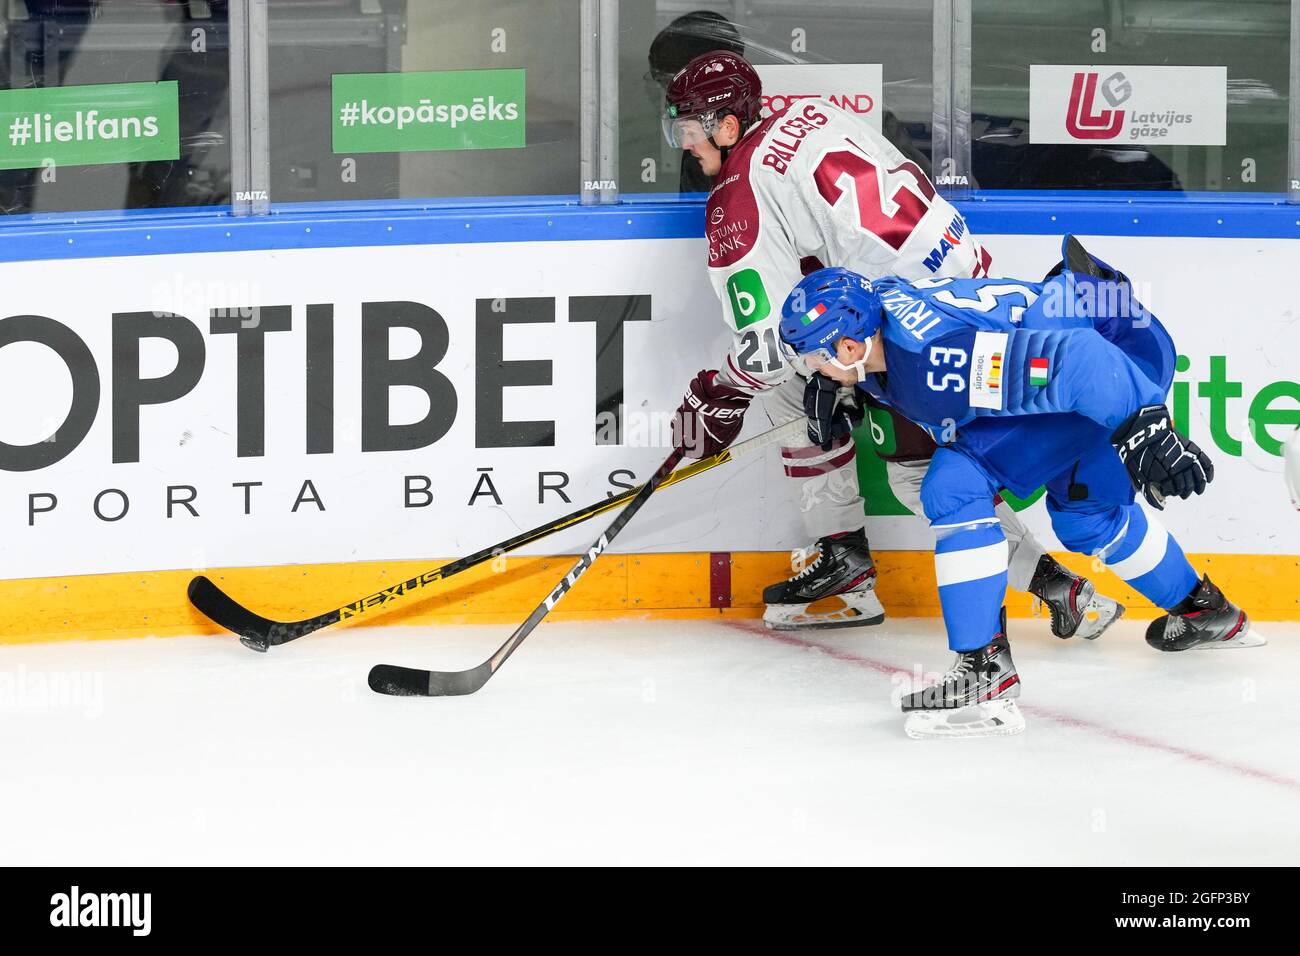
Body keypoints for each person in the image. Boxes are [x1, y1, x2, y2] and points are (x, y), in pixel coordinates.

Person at [663, 49, 1121, 636]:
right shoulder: (812, 114)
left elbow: (768, 345)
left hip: (907, 329)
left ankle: (1049, 589)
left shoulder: (739, 193)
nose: (684, 144)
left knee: (908, 468)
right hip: (969, 293)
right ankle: (852, 562)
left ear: (727, 125)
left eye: (688, 128)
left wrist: (718, 393)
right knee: (880, 432)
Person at [776, 237, 1265, 738]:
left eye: (813, 357)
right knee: (1087, 517)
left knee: (954, 486)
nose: (808, 366)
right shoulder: (874, 307)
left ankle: (984, 668)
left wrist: (1146, 423)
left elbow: (1074, 361)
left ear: (852, 345)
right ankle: (1206, 610)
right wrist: (838, 382)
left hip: (1112, 361)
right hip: (1118, 334)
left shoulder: (939, 359)